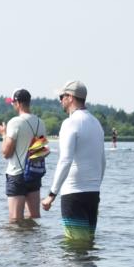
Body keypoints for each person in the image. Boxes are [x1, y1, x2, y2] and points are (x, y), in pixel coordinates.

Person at [41, 80, 105, 243]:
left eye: (61, 97)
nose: (60, 101)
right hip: (93, 193)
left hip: (73, 194)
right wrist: (96, 185)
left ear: (70, 97)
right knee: (88, 243)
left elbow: (65, 160)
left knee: (75, 246)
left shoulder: (70, 123)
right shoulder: (96, 123)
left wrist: (51, 194)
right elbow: (102, 161)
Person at [0, 88, 45, 221]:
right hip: (34, 174)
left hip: (17, 175)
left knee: (15, 221)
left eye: (12, 103)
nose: (12, 105)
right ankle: (33, 236)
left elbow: (6, 153)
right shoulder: (40, 123)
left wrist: (4, 134)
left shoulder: (15, 122)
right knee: (34, 218)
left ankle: (19, 237)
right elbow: (39, 152)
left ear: (18, 103)